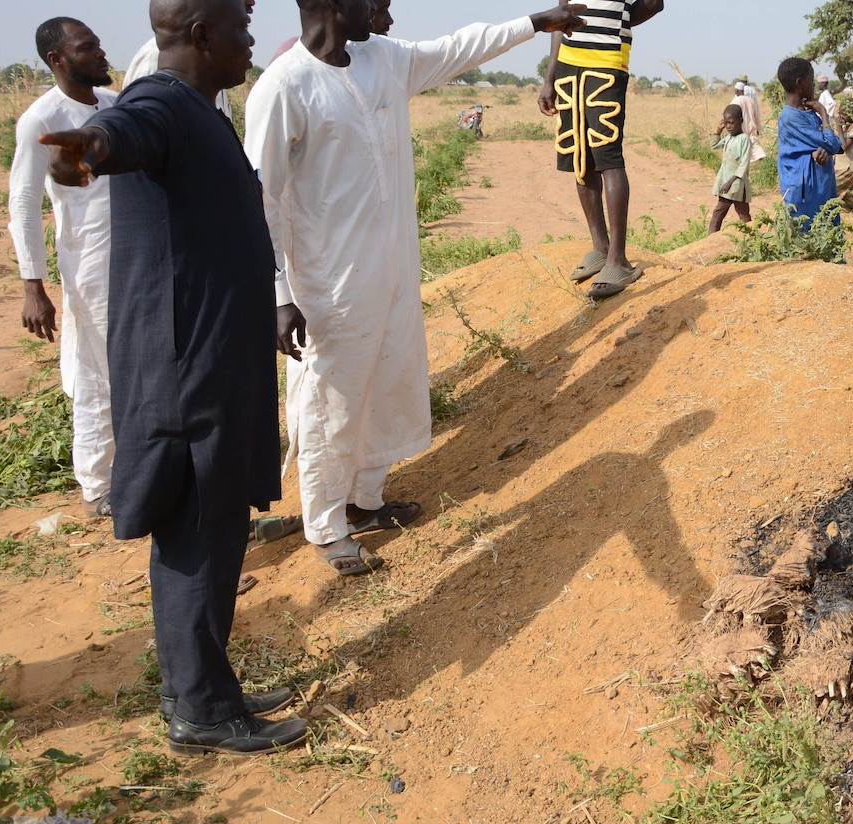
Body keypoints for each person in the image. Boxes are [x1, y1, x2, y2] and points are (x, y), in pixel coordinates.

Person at [41, 0, 304, 755]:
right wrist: (87, 145)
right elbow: (121, 134)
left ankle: (202, 683)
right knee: (196, 531)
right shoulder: (158, 101)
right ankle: (201, 711)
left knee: (216, 528)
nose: (251, 41)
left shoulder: (200, 108)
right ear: (201, 34)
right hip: (187, 368)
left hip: (211, 359)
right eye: (242, 28)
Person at [246, 0, 585, 577]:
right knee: (333, 399)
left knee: (385, 382)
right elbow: (261, 203)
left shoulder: (383, 60)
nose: (383, 12)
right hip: (329, 283)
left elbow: (458, 48)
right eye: (370, 1)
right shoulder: (283, 87)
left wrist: (535, 23)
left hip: (393, 267)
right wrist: (278, 294)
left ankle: (366, 501)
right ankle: (327, 526)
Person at [8, 17, 117, 519]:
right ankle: (98, 484)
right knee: (96, 371)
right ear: (57, 60)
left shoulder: (116, 108)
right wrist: (34, 285)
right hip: (89, 261)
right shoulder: (42, 117)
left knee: (131, 367)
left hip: (136, 257)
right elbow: (25, 201)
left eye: (97, 45)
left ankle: (131, 469)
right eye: (87, 47)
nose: (100, 54)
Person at [538, 0, 665, 300]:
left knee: (607, 156)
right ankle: (600, 247)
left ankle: (618, 260)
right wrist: (549, 77)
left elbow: (653, 3)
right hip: (569, 64)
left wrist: (616, 25)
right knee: (579, 154)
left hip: (607, 61)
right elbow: (562, 16)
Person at [120, 0, 251, 120]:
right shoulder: (156, 56)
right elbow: (135, 120)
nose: (251, 2)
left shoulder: (214, 66)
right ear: (202, 36)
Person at [775, 57, 843, 229]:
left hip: (820, 188)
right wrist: (824, 114)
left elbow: (831, 145)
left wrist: (823, 150)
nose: (813, 85)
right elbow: (833, 143)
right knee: (806, 235)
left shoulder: (808, 113)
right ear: (800, 83)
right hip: (803, 190)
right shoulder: (791, 117)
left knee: (826, 234)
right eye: (811, 80)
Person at [708, 104, 751, 234]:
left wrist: (729, 182)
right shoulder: (728, 137)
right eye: (725, 123)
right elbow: (714, 145)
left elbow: (744, 164)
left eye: (731, 123)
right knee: (719, 214)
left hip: (737, 185)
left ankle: (754, 239)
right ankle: (710, 240)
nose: (728, 126)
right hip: (726, 185)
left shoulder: (744, 139)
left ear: (741, 121)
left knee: (743, 215)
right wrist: (718, 131)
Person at [835, 97, 853, 212]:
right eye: (839, 114)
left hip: (848, 168)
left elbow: (845, 146)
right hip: (846, 168)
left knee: (831, 189)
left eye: (844, 114)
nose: (841, 117)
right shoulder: (847, 127)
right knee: (852, 199)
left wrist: (839, 128)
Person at [730, 81, 766, 162]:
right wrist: (758, 128)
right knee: (756, 146)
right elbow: (756, 115)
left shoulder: (736, 101)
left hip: (742, 128)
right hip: (751, 127)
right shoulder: (750, 100)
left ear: (736, 91)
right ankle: (764, 163)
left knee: (741, 148)